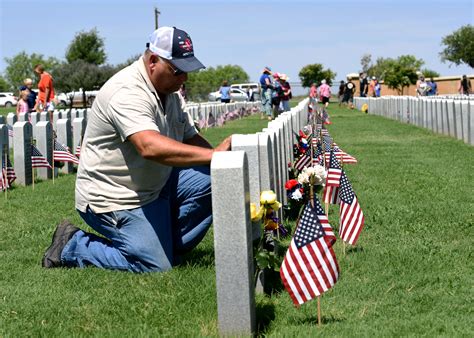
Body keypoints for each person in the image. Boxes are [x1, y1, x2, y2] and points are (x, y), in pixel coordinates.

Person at [41, 26, 232, 273]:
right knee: (155, 266)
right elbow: (148, 146)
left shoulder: (170, 91)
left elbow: (190, 136)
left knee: (214, 178)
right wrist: (214, 155)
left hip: (156, 184)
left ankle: (163, 244)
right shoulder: (127, 90)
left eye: (188, 71)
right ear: (153, 61)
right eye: (178, 71)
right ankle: (72, 245)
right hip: (116, 196)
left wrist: (224, 161)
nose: (184, 78)